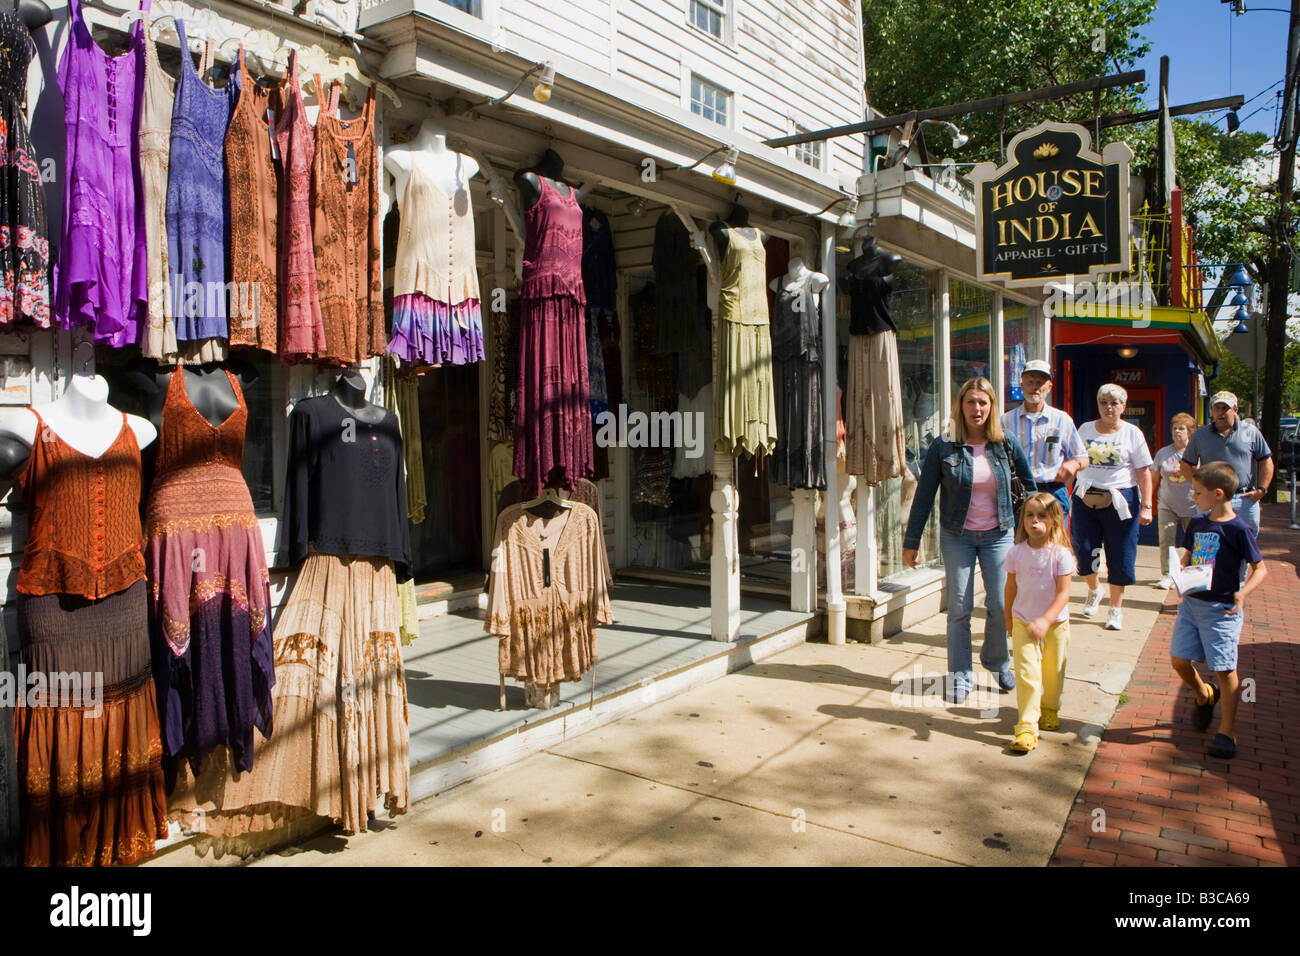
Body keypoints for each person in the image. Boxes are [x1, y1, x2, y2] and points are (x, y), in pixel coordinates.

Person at [903, 377, 1036, 703]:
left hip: (999, 534)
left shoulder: (1005, 443)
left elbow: (1030, 488)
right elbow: (924, 496)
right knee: (959, 608)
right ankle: (960, 675)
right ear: (960, 406)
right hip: (957, 536)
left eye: (983, 402)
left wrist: (1035, 534)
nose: (977, 409)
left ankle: (998, 660)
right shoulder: (943, 446)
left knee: (999, 603)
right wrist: (912, 539)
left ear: (991, 406)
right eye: (970, 402)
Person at [1170, 462, 1267, 760]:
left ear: (1218, 494)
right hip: (1191, 605)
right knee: (1179, 661)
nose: (1193, 496)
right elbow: (1188, 555)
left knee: (1225, 668)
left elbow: (1260, 569)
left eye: (1198, 492)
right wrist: (1181, 571)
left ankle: (1227, 732)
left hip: (1222, 609)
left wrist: (1242, 593)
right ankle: (1203, 694)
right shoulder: (1198, 523)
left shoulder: (1239, 530)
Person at [1072, 383, 1154, 631]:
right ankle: (1094, 589)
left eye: (1114, 403)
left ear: (1123, 407)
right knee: (1085, 551)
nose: (1109, 407)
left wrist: (1147, 506)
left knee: (1120, 555)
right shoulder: (1085, 429)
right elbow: (1074, 461)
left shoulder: (1132, 433)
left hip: (1121, 500)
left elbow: (1144, 472)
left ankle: (1115, 609)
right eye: (1104, 402)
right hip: (1086, 497)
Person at [1003, 492, 1076, 753]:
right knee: (1027, 675)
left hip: (1055, 623)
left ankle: (1049, 709)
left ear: (1054, 521)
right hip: (1023, 621)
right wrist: (1009, 619)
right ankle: (1026, 727)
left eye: (1042, 516)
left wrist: (1046, 621)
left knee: (1052, 673)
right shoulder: (1016, 553)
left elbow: (1063, 594)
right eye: (1029, 516)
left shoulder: (1061, 555)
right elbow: (1010, 589)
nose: (1035, 521)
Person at [1000, 359, 1089, 517]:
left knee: (1054, 541)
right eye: (1030, 381)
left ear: (1049, 387)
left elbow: (1083, 457)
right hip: (1018, 491)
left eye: (1040, 382)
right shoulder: (1005, 421)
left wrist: (1074, 464)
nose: (1035, 387)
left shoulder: (1062, 420)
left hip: (1052, 492)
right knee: (1019, 541)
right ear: (1022, 386)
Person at [1179, 391, 1273, 536]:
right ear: (1211, 411)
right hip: (1211, 499)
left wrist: (1262, 490)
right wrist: (1199, 488)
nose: (1220, 412)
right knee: (1210, 543)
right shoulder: (1200, 436)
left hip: (1244, 499)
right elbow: (1185, 465)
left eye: (1225, 408)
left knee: (1245, 546)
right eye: (1217, 408)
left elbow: (1266, 461)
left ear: (1235, 410)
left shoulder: (1251, 432)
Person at [1152, 412, 1201, 589]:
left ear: (1190, 432)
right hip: (1167, 504)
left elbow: (1204, 479)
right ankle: (1167, 574)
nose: (1177, 432)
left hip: (1193, 505)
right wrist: (1147, 504)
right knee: (1166, 539)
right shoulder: (1163, 453)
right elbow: (1153, 479)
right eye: (1174, 428)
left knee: (1195, 541)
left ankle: (1192, 573)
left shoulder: (1197, 453)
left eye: (1181, 429)